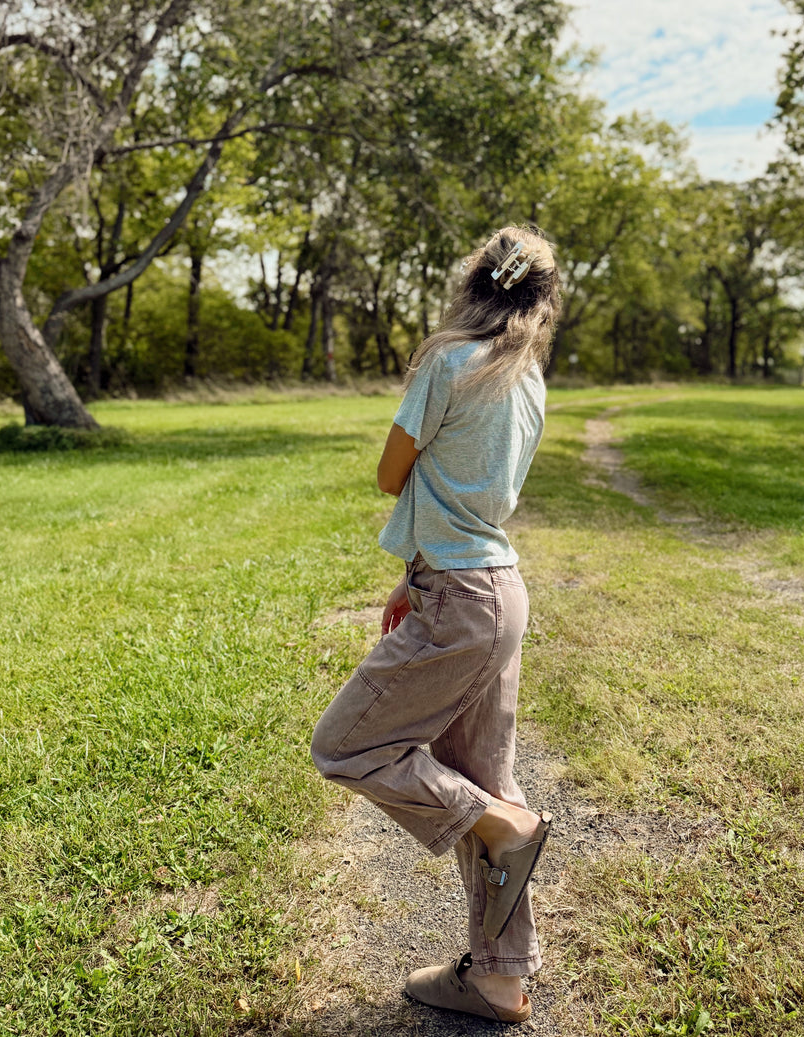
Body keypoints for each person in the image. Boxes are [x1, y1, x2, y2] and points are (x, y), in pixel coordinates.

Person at [311, 225, 562, 1025]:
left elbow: (393, 474)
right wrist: (411, 573)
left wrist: (427, 568)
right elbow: (470, 495)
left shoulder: (447, 360)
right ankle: (498, 976)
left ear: (474, 283)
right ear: (541, 300)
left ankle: (502, 824)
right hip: (495, 588)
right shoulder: (528, 380)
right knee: (488, 775)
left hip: (460, 598)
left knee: (346, 745)